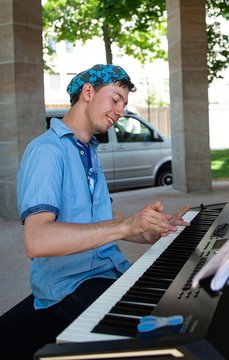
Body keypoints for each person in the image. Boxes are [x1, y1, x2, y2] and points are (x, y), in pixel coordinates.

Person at [16, 64, 190, 354]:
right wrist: (125, 227)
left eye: (124, 103)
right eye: (115, 99)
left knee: (176, 310)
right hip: (70, 286)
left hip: (109, 270)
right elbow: (37, 240)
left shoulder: (88, 150)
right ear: (87, 92)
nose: (120, 111)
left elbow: (106, 219)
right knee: (157, 344)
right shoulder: (46, 152)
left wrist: (146, 228)